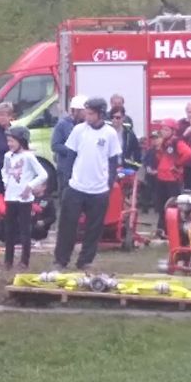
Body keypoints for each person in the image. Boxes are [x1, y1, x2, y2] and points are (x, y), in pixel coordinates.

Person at [53, 97, 120, 271]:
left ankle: (85, 261)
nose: (87, 116)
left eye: (91, 114)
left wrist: (109, 183)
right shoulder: (78, 130)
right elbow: (70, 156)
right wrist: (68, 180)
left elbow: (113, 161)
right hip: (76, 187)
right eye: (86, 113)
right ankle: (61, 260)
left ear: (100, 114)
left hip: (99, 189)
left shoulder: (110, 133)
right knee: (68, 225)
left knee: (94, 228)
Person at [0, 126, 48, 270]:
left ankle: (24, 261)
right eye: (8, 141)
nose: (9, 144)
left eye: (12, 141)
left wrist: (30, 186)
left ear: (21, 141)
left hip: (24, 200)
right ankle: (8, 260)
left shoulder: (28, 157)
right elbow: (4, 171)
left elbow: (43, 174)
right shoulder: (7, 156)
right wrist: (6, 182)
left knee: (25, 230)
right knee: (9, 230)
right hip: (10, 197)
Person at [144, 119, 191, 237]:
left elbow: (189, 154)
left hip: (172, 179)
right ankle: (161, 228)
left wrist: (177, 164)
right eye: (162, 129)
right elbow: (161, 158)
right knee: (161, 205)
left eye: (166, 129)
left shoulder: (176, 142)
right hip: (161, 178)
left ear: (173, 131)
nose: (163, 131)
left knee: (172, 206)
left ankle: (173, 230)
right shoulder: (164, 143)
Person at [52, 94, 87, 184]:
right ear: (76, 111)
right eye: (84, 111)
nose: (86, 114)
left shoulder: (87, 125)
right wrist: (72, 151)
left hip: (81, 168)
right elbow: (55, 145)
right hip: (65, 169)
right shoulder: (63, 124)